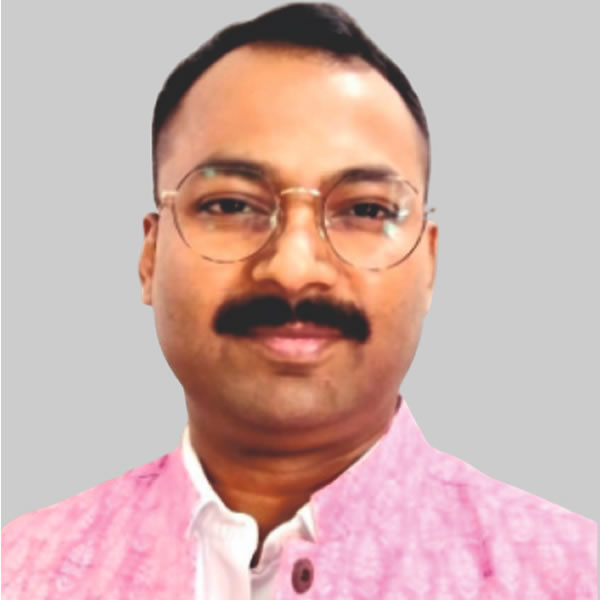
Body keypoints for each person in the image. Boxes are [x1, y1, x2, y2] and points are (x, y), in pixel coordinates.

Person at [2, 3, 596, 598]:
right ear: (150, 257)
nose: (292, 269)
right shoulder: (23, 571)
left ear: (429, 263)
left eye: (365, 209)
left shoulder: (571, 576)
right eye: (231, 205)